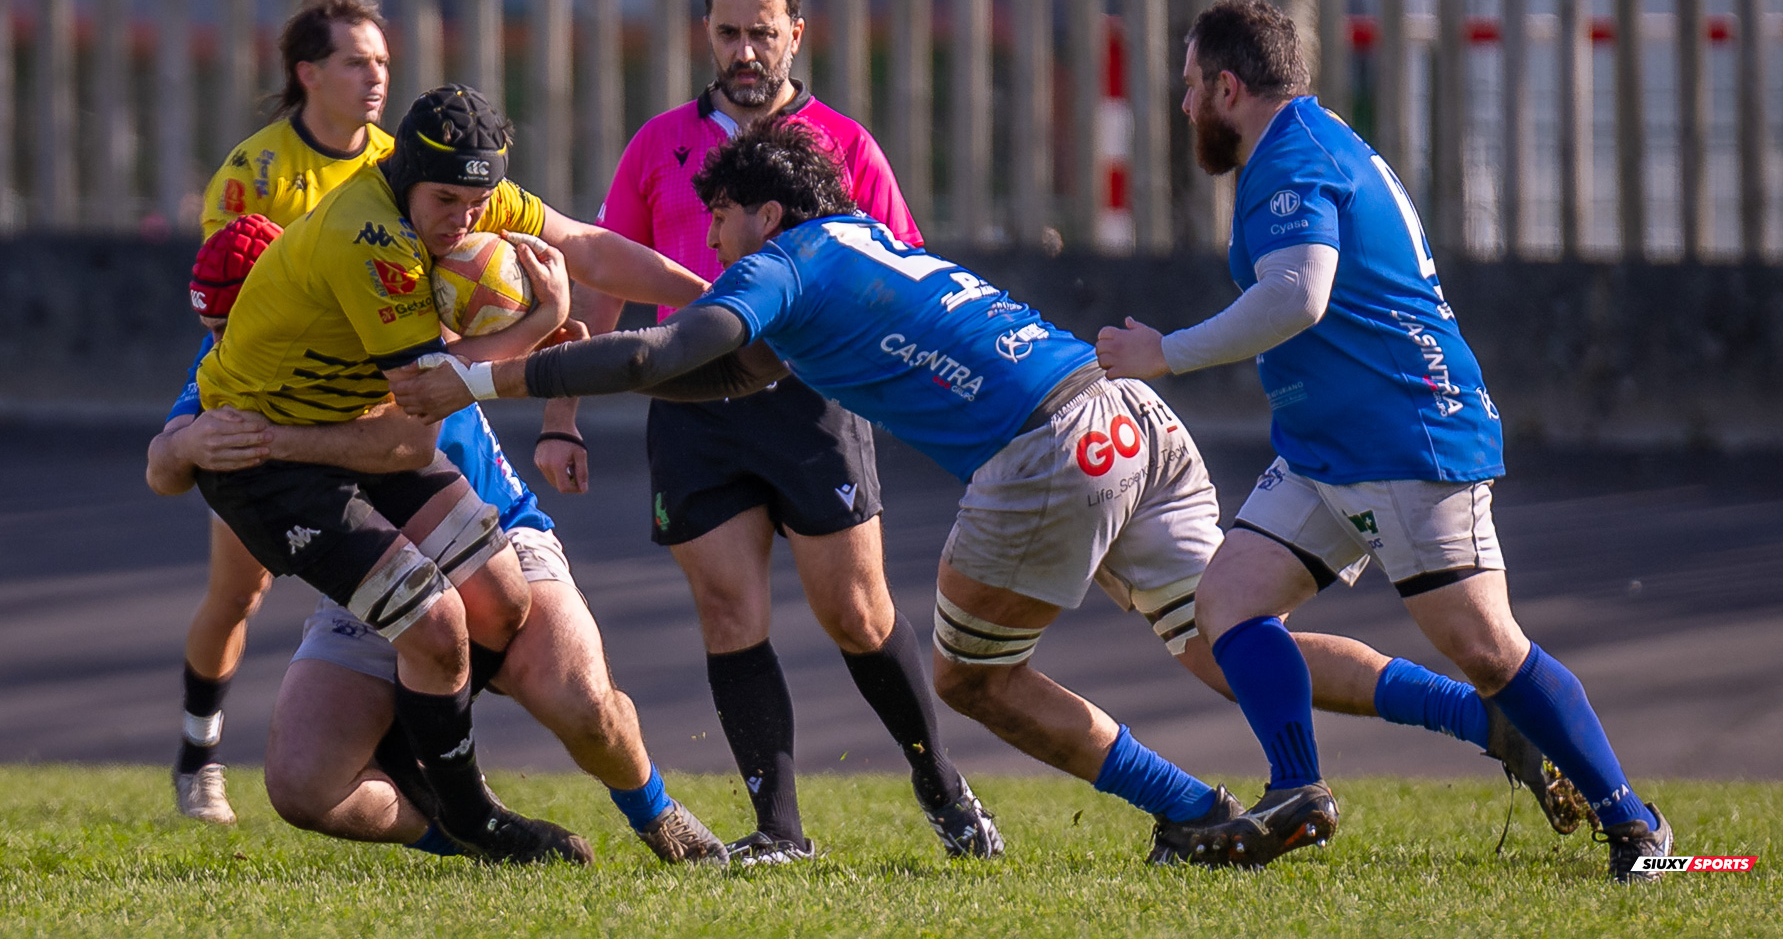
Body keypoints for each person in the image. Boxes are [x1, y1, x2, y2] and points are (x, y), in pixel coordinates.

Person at [389, 118, 1589, 866]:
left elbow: (666, 350)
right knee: (1224, 640)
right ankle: (1483, 719)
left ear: (767, 210)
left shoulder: (784, 260)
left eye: (720, 222)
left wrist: (481, 378)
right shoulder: (864, 247)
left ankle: (1194, 808)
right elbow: (718, 376)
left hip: (1048, 453)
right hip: (1129, 419)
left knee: (972, 678)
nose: (714, 244)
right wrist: (564, 352)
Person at [1092, 0, 1671, 881]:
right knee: (1230, 602)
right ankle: (1296, 789)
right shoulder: (1302, 144)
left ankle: (1637, 826)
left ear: (1228, 87)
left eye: (1191, 85)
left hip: (1405, 436)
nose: (1183, 105)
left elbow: (1299, 296)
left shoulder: (1293, 159)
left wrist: (1162, 354)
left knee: (1486, 648)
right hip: (1329, 445)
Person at [188, 84, 704, 864]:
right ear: (403, 177)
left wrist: (723, 311)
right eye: (446, 202)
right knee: (325, 759)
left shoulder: (460, 196)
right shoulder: (371, 242)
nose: (465, 222)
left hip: (394, 467)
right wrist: (539, 323)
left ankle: (648, 810)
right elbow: (423, 398)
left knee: (516, 623)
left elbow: (589, 248)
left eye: (477, 202)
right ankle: (470, 821)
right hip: (297, 477)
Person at [565, 0, 991, 864]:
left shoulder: (844, 144)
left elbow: (904, 274)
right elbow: (603, 275)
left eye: (763, 33)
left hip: (812, 402)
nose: (746, 51)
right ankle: (779, 830)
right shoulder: (659, 143)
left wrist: (937, 391)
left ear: (796, 34)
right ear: (706, 34)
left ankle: (944, 786)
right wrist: (562, 418)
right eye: (729, 33)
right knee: (729, 614)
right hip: (692, 404)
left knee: (857, 613)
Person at [171, 0, 399, 823]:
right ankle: (198, 754)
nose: (376, 77)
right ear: (308, 73)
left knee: (407, 584)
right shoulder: (256, 174)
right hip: (268, 399)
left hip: (372, 403)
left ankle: (401, 761)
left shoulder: (397, 164)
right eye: (356, 62)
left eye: (382, 61)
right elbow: (221, 306)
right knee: (241, 591)